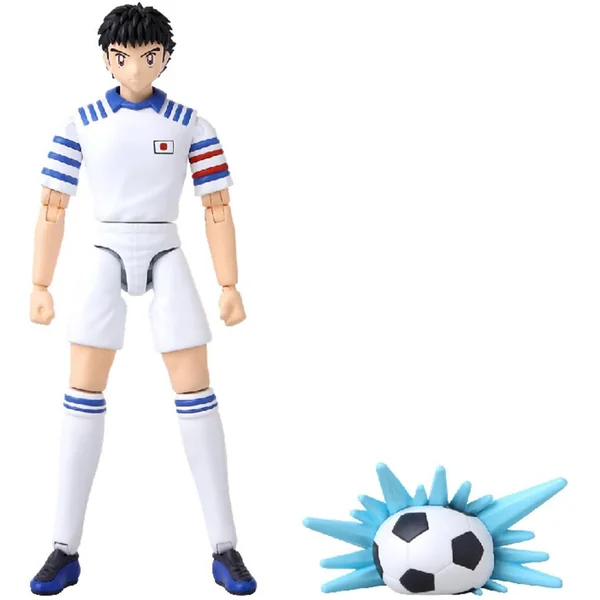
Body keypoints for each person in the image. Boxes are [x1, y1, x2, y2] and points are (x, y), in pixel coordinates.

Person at [29, 3, 256, 595]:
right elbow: (53, 205)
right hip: (105, 248)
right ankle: (63, 547)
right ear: (107, 58)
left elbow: (217, 207)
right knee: (82, 391)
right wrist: (40, 283)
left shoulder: (190, 123)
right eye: (123, 56)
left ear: (165, 57)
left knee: (195, 391)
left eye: (148, 56)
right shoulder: (81, 121)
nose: (135, 68)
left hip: (165, 247)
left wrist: (229, 283)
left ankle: (225, 545)